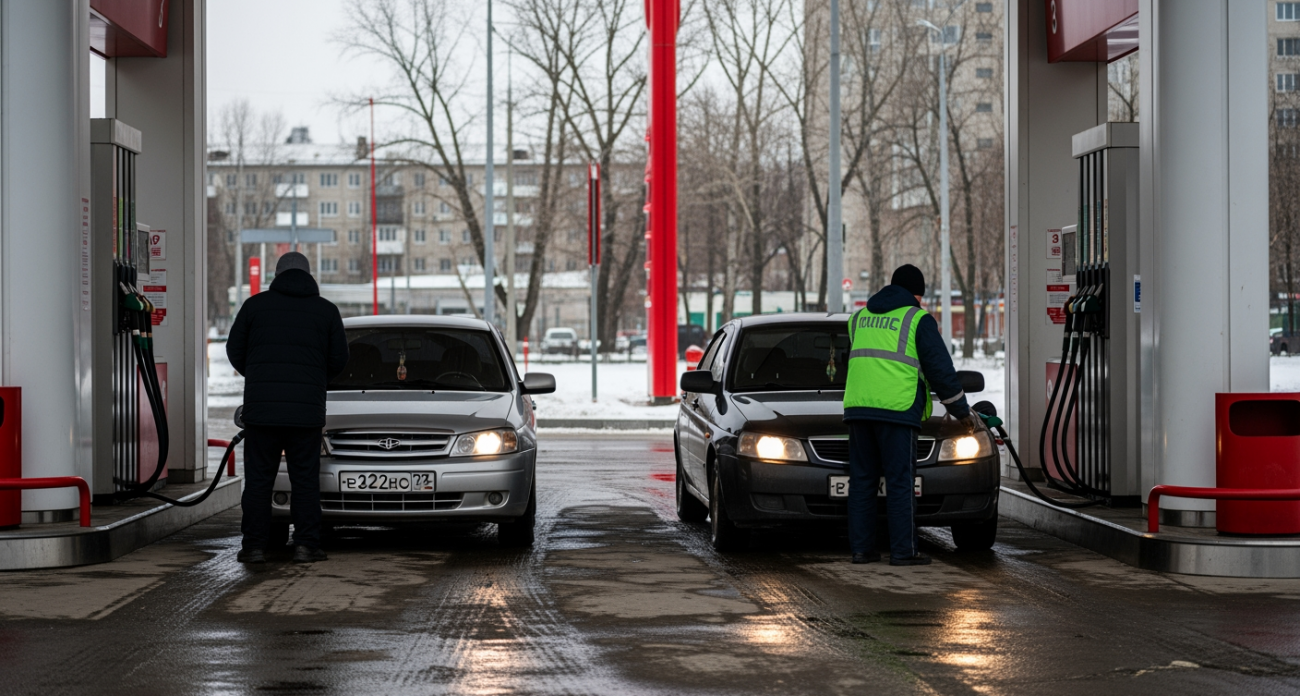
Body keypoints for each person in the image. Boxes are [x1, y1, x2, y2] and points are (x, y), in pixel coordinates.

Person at [843, 264, 975, 566]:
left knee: (862, 482)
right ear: (917, 294)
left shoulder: (859, 318)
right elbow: (940, 370)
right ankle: (903, 551)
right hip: (896, 409)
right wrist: (961, 411)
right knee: (901, 482)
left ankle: (862, 550)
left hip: (858, 409)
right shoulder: (917, 319)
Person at [227, 251, 349, 564]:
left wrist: (257, 374)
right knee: (305, 481)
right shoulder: (326, 311)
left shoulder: (255, 306)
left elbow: (234, 350)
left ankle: (254, 546)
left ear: (277, 274)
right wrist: (313, 379)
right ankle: (306, 546)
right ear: (309, 275)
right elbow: (339, 360)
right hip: (305, 415)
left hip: (262, 414)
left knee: (258, 481)